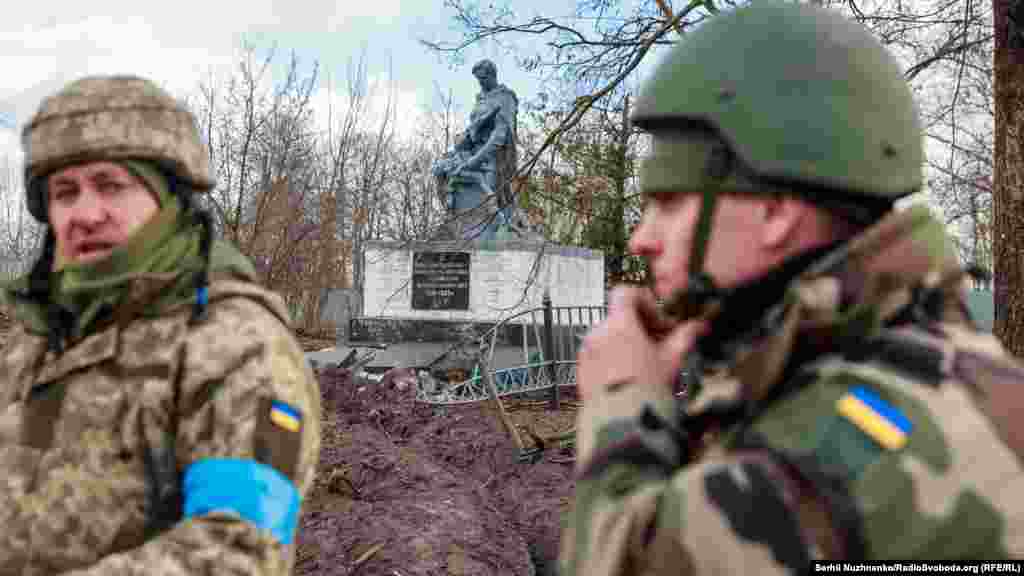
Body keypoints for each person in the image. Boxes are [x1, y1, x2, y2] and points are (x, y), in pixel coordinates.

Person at [560, 3, 1024, 574]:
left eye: (669, 203)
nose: (641, 239)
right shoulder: (956, 372)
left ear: (776, 212)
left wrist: (623, 400)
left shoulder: (833, 448)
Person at [0, 75, 321, 575]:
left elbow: (239, 551)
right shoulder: (33, 340)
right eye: (64, 192)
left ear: (169, 200)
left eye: (111, 185)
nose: (84, 213)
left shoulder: (234, 342)